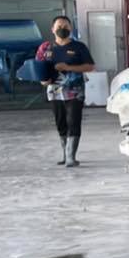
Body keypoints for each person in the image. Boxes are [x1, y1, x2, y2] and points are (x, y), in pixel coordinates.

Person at [39, 16, 95, 168]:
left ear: (70, 28)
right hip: (54, 91)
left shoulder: (79, 47)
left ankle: (71, 156)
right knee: (60, 121)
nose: (62, 28)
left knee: (73, 120)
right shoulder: (45, 48)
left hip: (75, 90)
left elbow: (90, 66)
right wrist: (43, 80)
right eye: (58, 26)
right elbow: (39, 68)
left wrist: (68, 68)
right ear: (52, 29)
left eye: (65, 26)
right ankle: (65, 154)